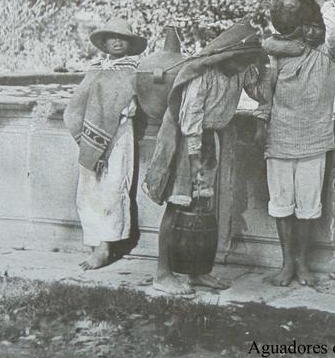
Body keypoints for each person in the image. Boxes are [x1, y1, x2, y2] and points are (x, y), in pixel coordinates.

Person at [143, 19, 269, 296]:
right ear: (228, 55)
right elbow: (190, 118)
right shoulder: (203, 74)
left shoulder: (240, 71)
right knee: (179, 204)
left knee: (202, 205)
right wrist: (195, 158)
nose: (244, 65)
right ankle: (163, 274)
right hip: (185, 141)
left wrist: (267, 73)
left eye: (249, 60)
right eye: (242, 59)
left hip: (210, 139)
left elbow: (261, 93)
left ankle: (197, 272)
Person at [259, 0, 335, 287]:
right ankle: (286, 265)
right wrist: (261, 121)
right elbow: (266, 93)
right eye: (305, 26)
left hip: (314, 140)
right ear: (296, 27)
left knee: (308, 208)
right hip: (280, 138)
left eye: (316, 26)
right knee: (282, 205)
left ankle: (303, 265)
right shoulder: (281, 52)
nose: (312, 32)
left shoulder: (328, 53)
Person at [64, 17, 147, 270]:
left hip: (120, 134)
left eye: (123, 38)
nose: (117, 42)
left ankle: (106, 246)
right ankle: (93, 241)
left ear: (131, 44)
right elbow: (78, 105)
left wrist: (108, 130)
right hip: (92, 135)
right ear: (104, 42)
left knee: (113, 187)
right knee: (88, 186)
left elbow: (130, 105)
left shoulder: (133, 70)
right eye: (112, 37)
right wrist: (90, 137)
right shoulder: (97, 67)